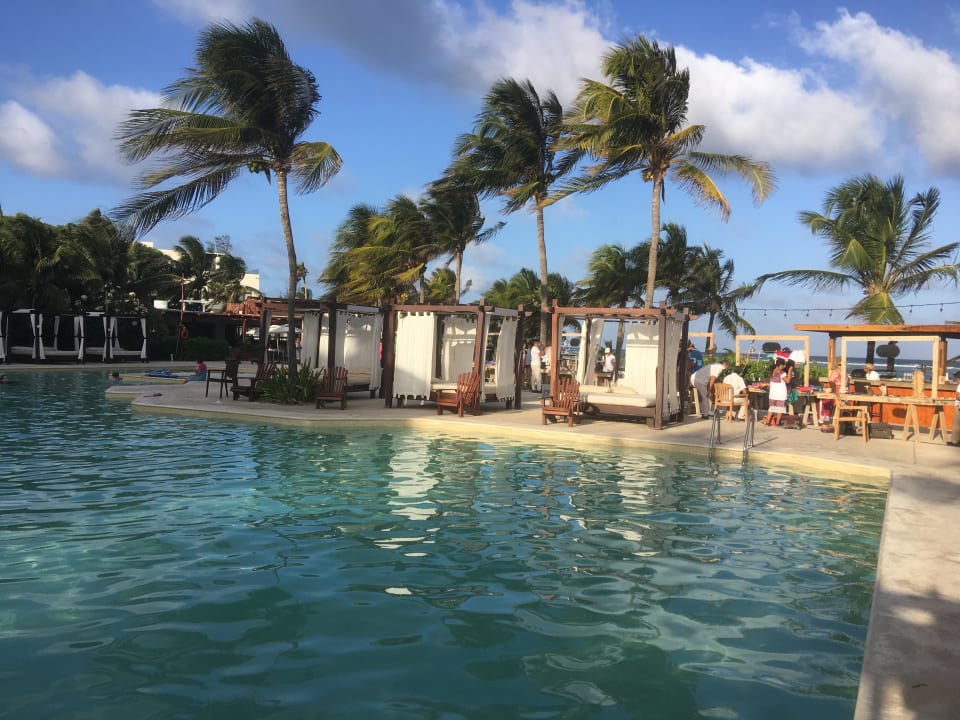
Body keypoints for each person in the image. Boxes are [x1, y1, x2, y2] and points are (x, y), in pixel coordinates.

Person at [764, 358, 788, 426]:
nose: (784, 366)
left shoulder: (772, 371)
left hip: (773, 393)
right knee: (780, 408)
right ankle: (777, 422)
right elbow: (787, 381)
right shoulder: (782, 373)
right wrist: (789, 372)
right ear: (780, 365)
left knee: (771, 408)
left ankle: (768, 421)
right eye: (783, 365)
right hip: (780, 393)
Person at [949, 371, 960, 447]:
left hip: (958, 406)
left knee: (956, 424)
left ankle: (955, 441)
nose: (956, 380)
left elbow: (958, 395)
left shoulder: (959, 385)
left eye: (957, 378)